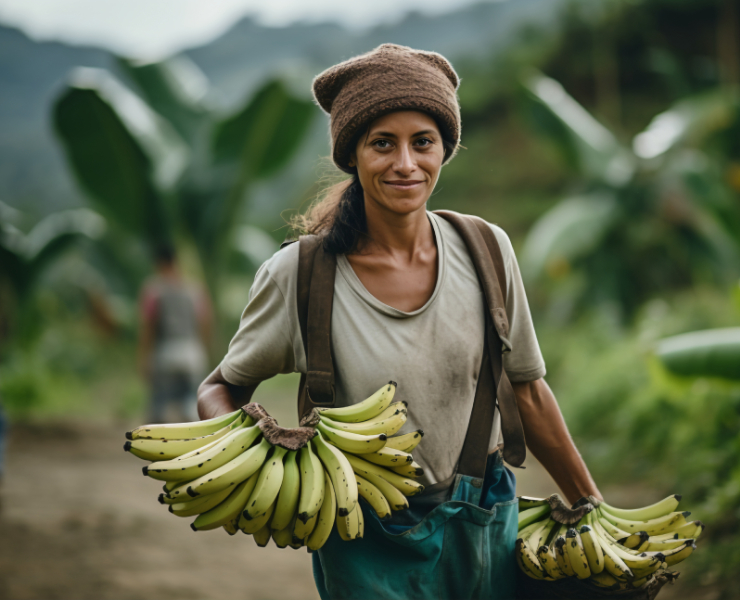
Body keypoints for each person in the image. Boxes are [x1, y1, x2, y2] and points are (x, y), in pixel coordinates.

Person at [198, 43, 602, 599]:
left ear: (444, 151)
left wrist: (590, 505)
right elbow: (221, 388)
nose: (406, 164)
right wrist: (261, 450)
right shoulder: (300, 274)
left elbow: (528, 391)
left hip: (482, 517)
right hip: (361, 533)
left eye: (423, 143)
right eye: (382, 143)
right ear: (353, 156)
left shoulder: (486, 250)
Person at [138, 243, 212, 423]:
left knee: (159, 406)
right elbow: (206, 322)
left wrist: (143, 356)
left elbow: (148, 327)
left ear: (159, 264)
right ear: (176, 261)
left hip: (165, 353)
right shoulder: (194, 289)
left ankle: (153, 445)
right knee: (191, 405)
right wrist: (204, 351)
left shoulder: (154, 290)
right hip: (191, 352)